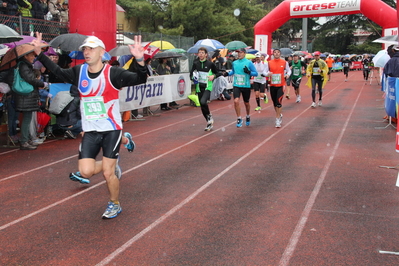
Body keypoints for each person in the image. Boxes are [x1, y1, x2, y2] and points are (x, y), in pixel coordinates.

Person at [31, 32, 147, 219]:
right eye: (85, 48)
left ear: (102, 52)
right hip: (91, 130)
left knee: (108, 174)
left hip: (110, 129)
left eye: (91, 48)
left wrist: (140, 60)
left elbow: (140, 79)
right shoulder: (79, 72)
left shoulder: (113, 73)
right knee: (85, 171)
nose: (87, 52)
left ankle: (114, 203)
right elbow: (58, 72)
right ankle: (114, 159)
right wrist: (39, 54)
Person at [13, 50, 46, 150]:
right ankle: (24, 141)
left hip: (26, 95)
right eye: (31, 55)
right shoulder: (24, 65)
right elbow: (30, 79)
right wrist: (41, 83)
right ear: (26, 55)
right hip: (26, 96)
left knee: (27, 118)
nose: (33, 57)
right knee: (27, 119)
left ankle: (26, 140)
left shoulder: (23, 65)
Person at [223, 48, 257, 128]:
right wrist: (227, 74)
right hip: (237, 85)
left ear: (244, 53)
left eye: (241, 53)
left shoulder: (249, 63)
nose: (239, 54)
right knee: (236, 101)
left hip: (246, 86)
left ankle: (248, 116)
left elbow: (255, 73)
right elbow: (233, 71)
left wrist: (249, 72)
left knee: (246, 103)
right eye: (238, 53)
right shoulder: (234, 63)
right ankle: (239, 118)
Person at [190, 47, 221, 131]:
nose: (200, 54)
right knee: (202, 105)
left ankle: (209, 116)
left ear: (206, 54)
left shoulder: (210, 64)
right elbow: (191, 75)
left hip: (207, 86)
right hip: (199, 87)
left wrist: (213, 76)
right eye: (199, 52)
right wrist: (194, 77)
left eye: (202, 52)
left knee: (203, 102)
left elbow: (218, 73)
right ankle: (208, 122)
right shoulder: (195, 63)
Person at [267, 49, 291, 128]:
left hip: (281, 85)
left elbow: (289, 71)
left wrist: (287, 75)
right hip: (272, 85)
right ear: (273, 54)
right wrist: (267, 74)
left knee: (278, 102)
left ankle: (277, 119)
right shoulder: (269, 63)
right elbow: (264, 72)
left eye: (278, 52)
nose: (276, 54)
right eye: (275, 52)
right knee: (274, 103)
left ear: (280, 54)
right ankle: (279, 114)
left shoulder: (284, 62)